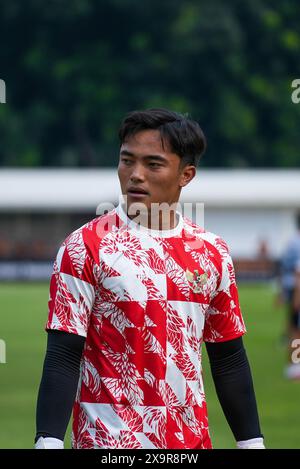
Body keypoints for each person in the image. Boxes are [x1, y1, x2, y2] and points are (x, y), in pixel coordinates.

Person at [35, 108, 264, 449]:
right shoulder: (85, 246)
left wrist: (251, 442)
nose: (135, 175)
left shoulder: (212, 253)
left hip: (188, 445)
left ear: (186, 174)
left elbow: (228, 357)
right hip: (108, 443)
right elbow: (64, 354)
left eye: (152, 164)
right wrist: (48, 440)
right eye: (127, 160)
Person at [278, 212, 300, 379]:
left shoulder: (292, 241)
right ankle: (294, 366)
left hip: (292, 288)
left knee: (294, 328)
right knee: (296, 330)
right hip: (296, 289)